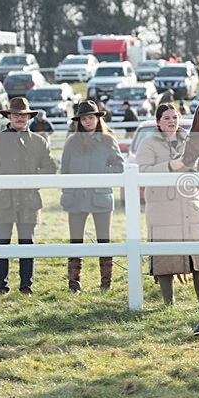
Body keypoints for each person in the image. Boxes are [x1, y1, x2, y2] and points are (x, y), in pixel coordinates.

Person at [0, 97, 59, 295]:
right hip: (3, 199)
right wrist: (4, 179)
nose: (20, 118)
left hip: (28, 200)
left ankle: (26, 286)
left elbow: (50, 168)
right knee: (2, 244)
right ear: (9, 117)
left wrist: (32, 181)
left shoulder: (39, 142)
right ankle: (1, 286)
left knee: (27, 244)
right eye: (16, 115)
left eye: (23, 115)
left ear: (29, 117)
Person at [136, 103, 199, 304]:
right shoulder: (148, 143)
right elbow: (143, 173)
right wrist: (172, 165)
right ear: (158, 121)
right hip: (162, 207)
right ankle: (168, 302)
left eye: (174, 117)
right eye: (167, 118)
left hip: (189, 204)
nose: (171, 121)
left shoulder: (189, 140)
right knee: (165, 255)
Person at [59, 100, 124, 293]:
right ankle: (74, 283)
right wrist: (68, 191)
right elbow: (65, 170)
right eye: (84, 118)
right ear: (79, 121)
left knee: (104, 240)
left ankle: (106, 283)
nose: (87, 122)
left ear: (97, 118)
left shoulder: (108, 140)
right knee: (75, 240)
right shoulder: (72, 141)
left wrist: (100, 174)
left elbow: (119, 167)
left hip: (100, 196)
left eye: (91, 118)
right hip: (76, 197)